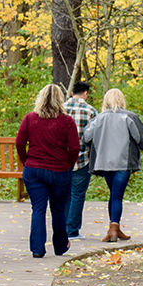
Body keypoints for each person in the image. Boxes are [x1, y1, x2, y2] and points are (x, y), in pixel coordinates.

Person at [14, 84, 79, 258]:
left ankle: (37, 249)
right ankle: (60, 247)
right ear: (60, 100)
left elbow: (19, 142)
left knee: (38, 209)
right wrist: (68, 164)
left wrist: (26, 159)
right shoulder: (67, 121)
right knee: (58, 210)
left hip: (34, 170)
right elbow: (74, 148)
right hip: (60, 171)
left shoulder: (30, 118)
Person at [83, 89, 143, 243]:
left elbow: (86, 137)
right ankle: (114, 229)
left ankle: (114, 228)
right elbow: (140, 138)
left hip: (104, 163)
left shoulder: (98, 118)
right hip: (123, 162)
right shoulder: (129, 117)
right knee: (117, 196)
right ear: (122, 100)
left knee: (114, 195)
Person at [63, 81, 99, 240]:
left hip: (61, 160)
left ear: (72, 94)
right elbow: (95, 137)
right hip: (82, 158)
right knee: (77, 194)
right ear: (86, 94)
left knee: (64, 195)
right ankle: (72, 231)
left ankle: (62, 228)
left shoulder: (61, 109)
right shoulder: (91, 111)